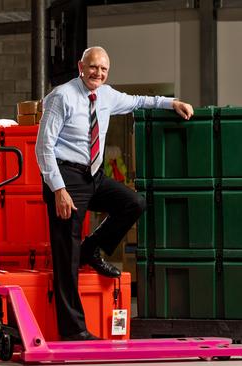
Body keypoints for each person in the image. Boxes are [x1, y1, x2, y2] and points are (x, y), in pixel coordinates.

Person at [35, 46, 194, 341]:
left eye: (104, 69)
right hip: (65, 176)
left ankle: (91, 247)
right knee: (66, 258)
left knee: (133, 202)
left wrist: (172, 102)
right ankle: (74, 330)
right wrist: (57, 189)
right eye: (93, 67)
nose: (98, 73)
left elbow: (139, 101)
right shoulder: (62, 96)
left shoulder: (107, 95)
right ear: (80, 65)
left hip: (93, 175)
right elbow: (43, 147)